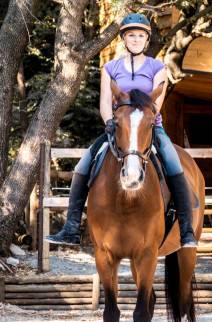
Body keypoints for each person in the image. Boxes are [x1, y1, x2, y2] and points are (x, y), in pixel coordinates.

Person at [45, 13, 197, 248]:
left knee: (175, 165)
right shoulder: (110, 67)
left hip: (149, 128)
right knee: (82, 166)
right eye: (131, 35)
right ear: (124, 39)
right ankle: (71, 227)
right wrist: (109, 121)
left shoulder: (158, 68)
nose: (136, 40)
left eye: (140, 36)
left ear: (147, 40)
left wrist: (144, 122)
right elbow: (106, 102)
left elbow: (155, 105)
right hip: (118, 129)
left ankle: (186, 230)